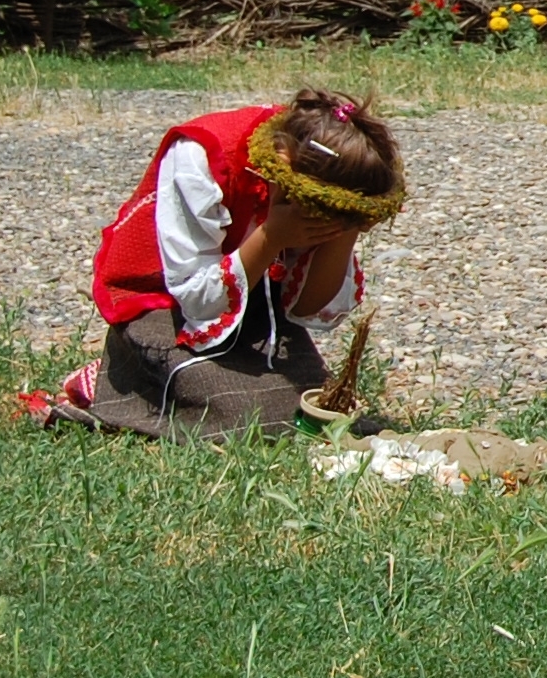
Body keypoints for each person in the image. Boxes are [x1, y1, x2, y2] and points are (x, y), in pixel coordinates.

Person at [36, 91, 404, 439]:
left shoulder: (317, 175)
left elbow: (309, 308)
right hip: (169, 304)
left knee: (310, 408)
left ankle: (154, 384)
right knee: (246, 416)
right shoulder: (202, 155)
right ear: (282, 161)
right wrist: (272, 236)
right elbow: (195, 295)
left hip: (253, 299)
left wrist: (344, 230)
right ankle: (112, 379)